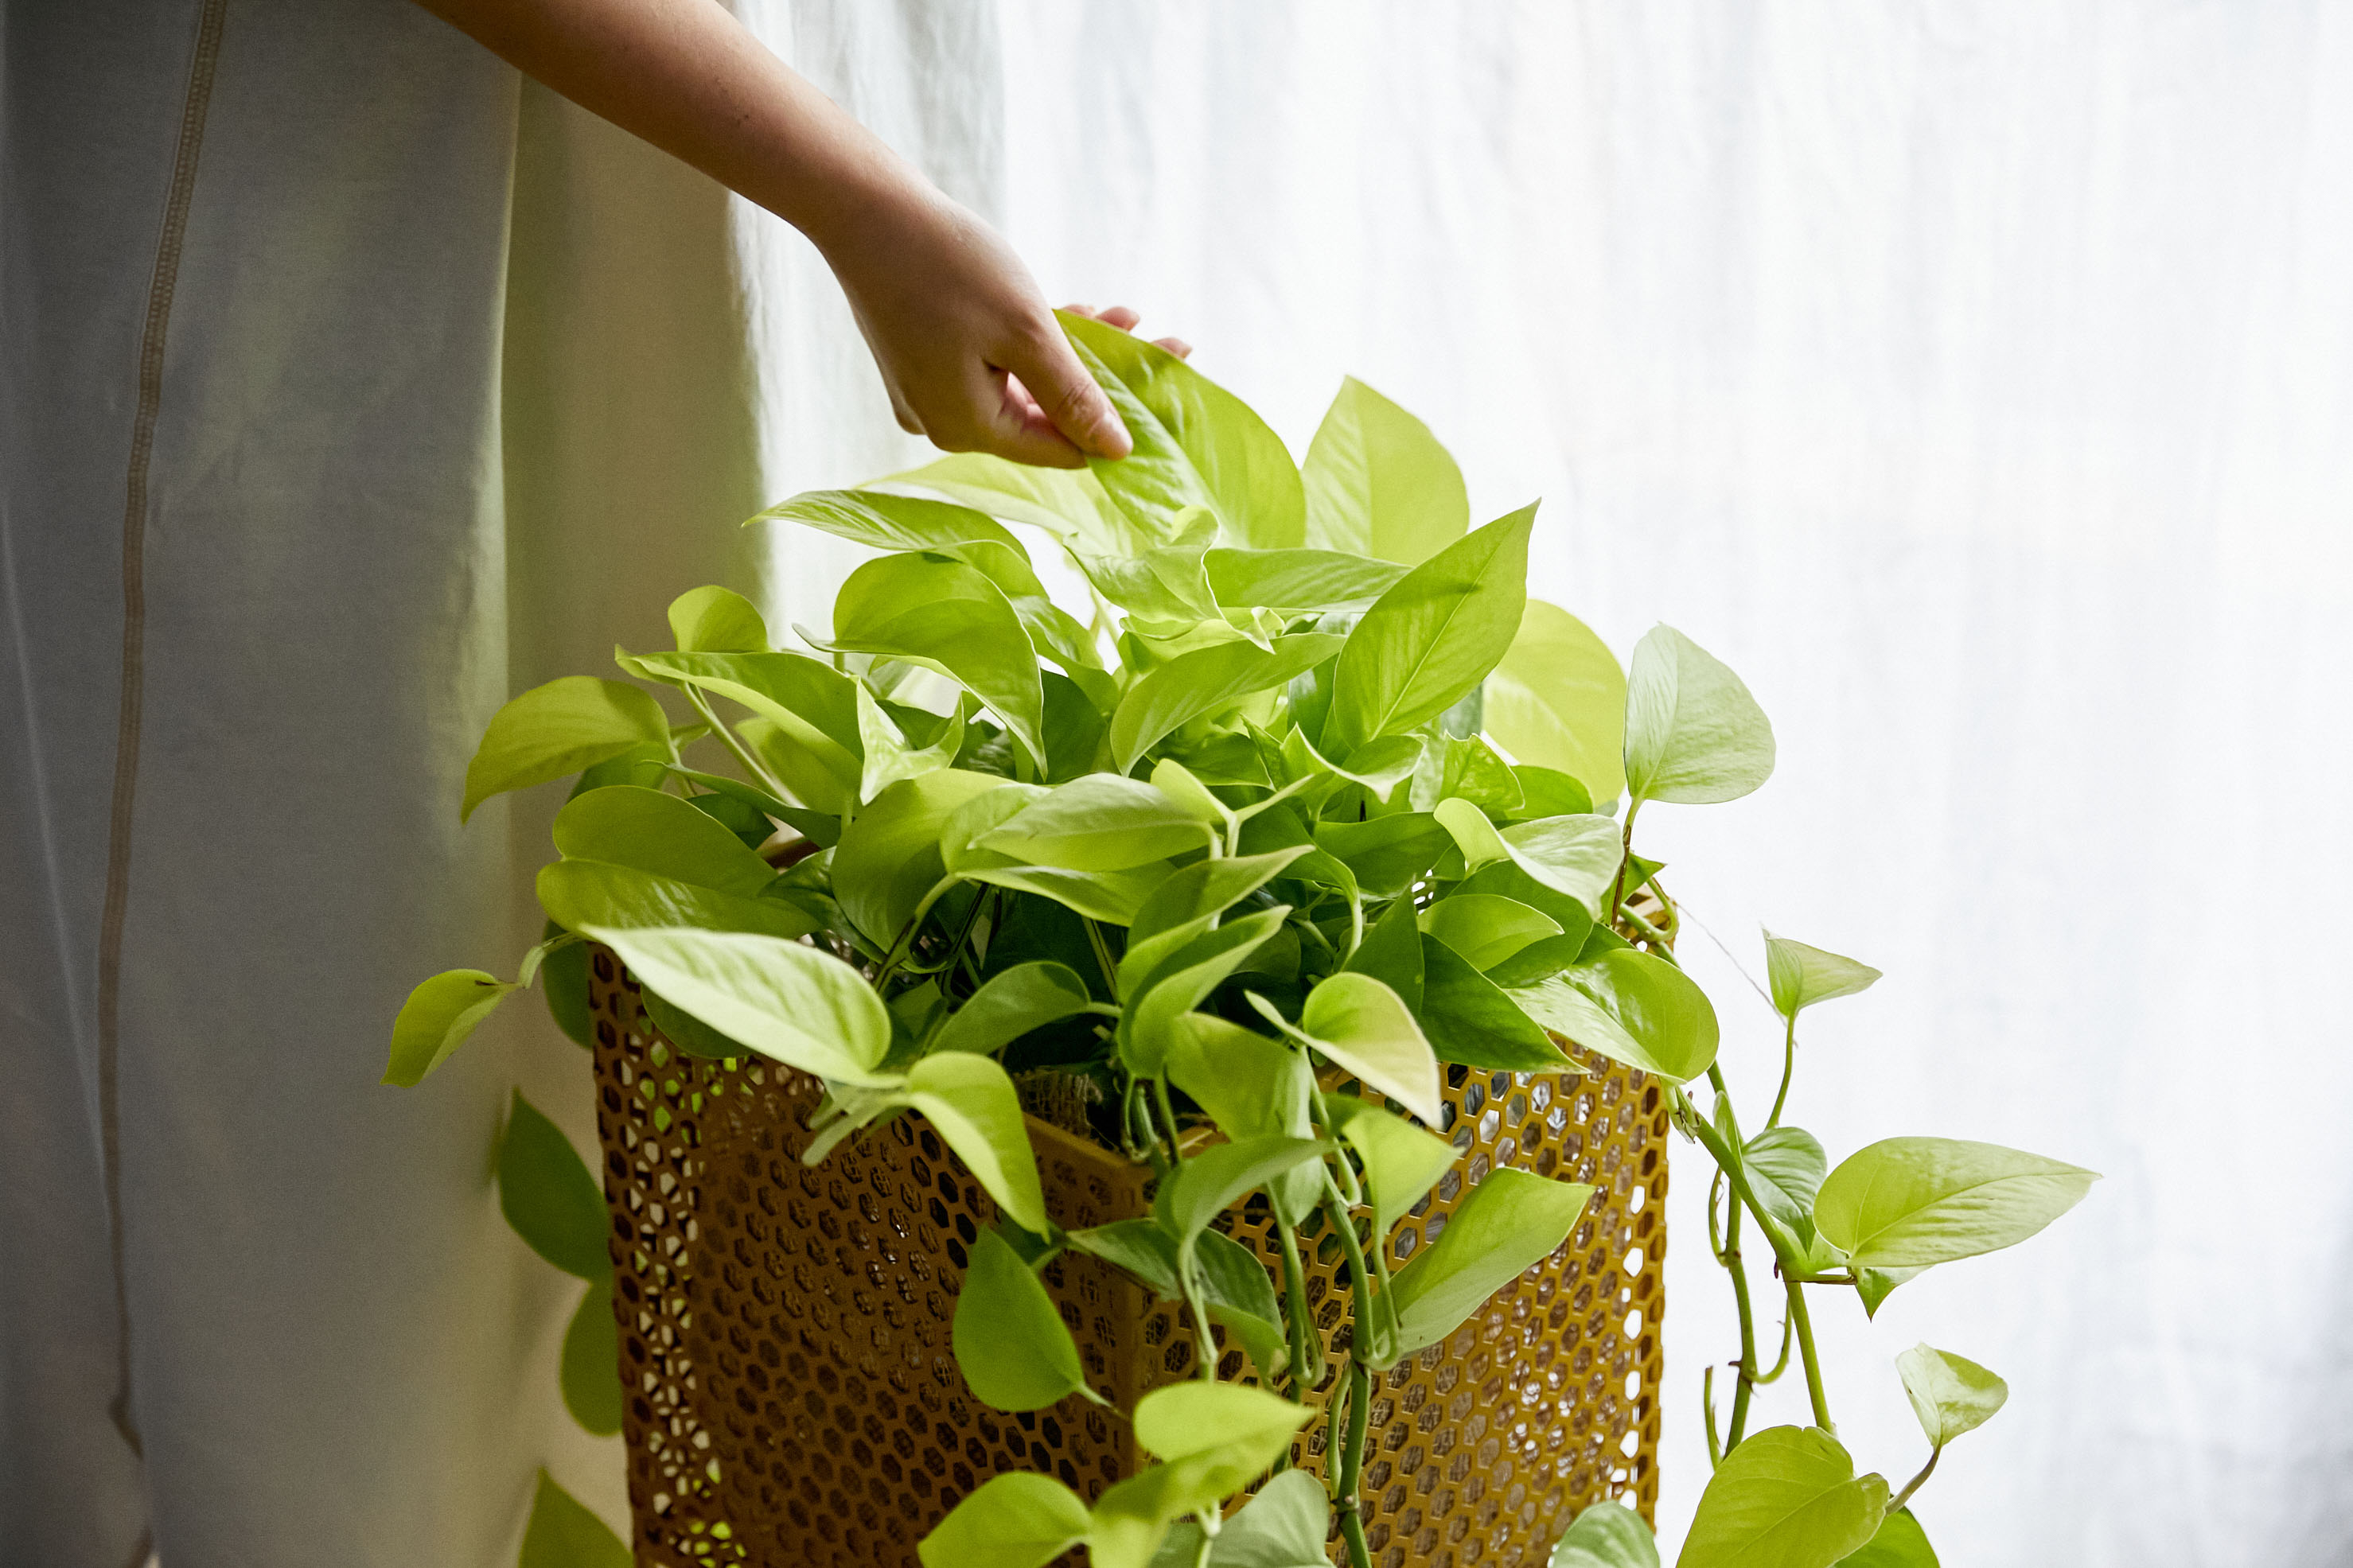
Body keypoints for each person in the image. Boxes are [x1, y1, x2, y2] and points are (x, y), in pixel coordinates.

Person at [0, 2, 1175, 1563]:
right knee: (323, 1221)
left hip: (747, 231)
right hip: (369, 252)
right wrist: (870, 209)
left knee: (692, 1102)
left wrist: (889, 225)